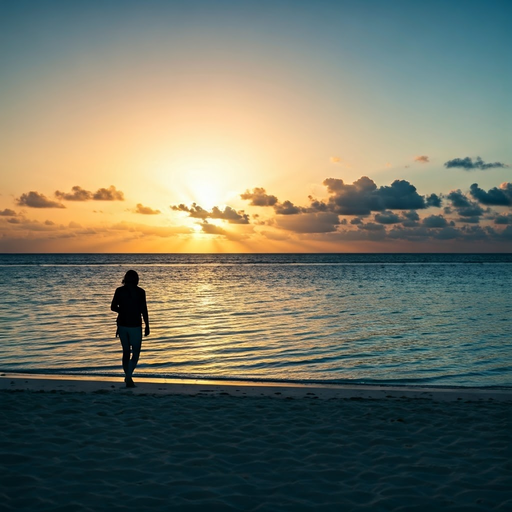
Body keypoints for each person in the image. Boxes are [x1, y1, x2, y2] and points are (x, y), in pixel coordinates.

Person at [111, 270, 150, 388]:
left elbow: (113, 307)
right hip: (135, 325)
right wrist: (147, 325)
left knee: (126, 352)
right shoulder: (140, 292)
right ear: (137, 279)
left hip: (122, 325)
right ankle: (128, 377)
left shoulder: (119, 291)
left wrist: (123, 311)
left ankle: (128, 377)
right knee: (136, 353)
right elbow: (144, 310)